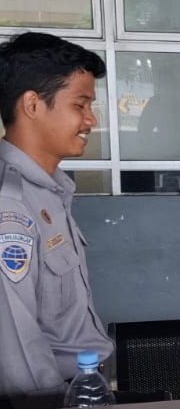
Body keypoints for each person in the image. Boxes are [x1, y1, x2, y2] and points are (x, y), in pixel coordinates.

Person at [0, 33, 114, 401]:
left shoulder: (50, 190)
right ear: (32, 104)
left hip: (79, 388)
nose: (91, 120)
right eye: (80, 105)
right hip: (50, 398)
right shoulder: (10, 205)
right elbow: (15, 345)